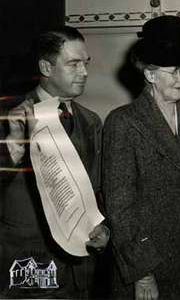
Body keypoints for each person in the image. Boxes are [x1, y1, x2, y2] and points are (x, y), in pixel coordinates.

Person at [103, 15, 180, 300]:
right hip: (150, 262)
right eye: (175, 71)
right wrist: (142, 272)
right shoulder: (124, 122)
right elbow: (120, 208)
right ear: (150, 74)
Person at [0, 26, 109, 299]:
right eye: (73, 64)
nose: (84, 72)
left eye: (85, 63)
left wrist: (103, 227)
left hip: (80, 268)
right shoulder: (8, 115)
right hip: (27, 264)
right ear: (46, 67)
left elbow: (95, 189)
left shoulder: (91, 121)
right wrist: (13, 146)